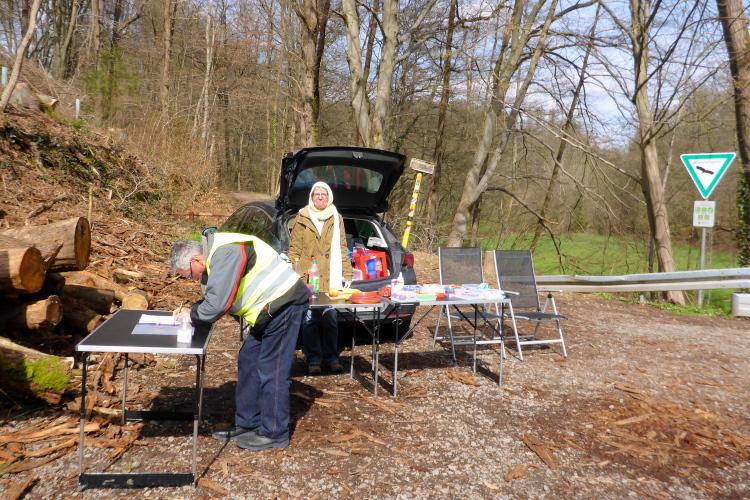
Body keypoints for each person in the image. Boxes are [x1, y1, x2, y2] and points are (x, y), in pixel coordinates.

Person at [169, 231, 310, 451]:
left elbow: (218, 304)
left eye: (188, 274)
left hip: (285, 304)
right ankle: (248, 422)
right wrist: (194, 309)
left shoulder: (226, 251)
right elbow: (219, 293)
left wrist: (192, 315)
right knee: (249, 360)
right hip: (267, 310)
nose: (193, 279)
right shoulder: (217, 254)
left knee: (272, 370)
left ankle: (275, 433)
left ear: (196, 260)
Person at [288, 181, 353, 375]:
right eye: (317, 194)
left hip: (330, 275)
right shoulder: (302, 216)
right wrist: (294, 272)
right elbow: (295, 247)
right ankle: (313, 360)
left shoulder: (336, 216)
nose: (320, 197)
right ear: (311, 197)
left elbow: (342, 246)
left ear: (329, 197)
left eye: (324, 194)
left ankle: (332, 358)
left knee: (330, 318)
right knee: (310, 319)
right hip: (309, 275)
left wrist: (347, 272)